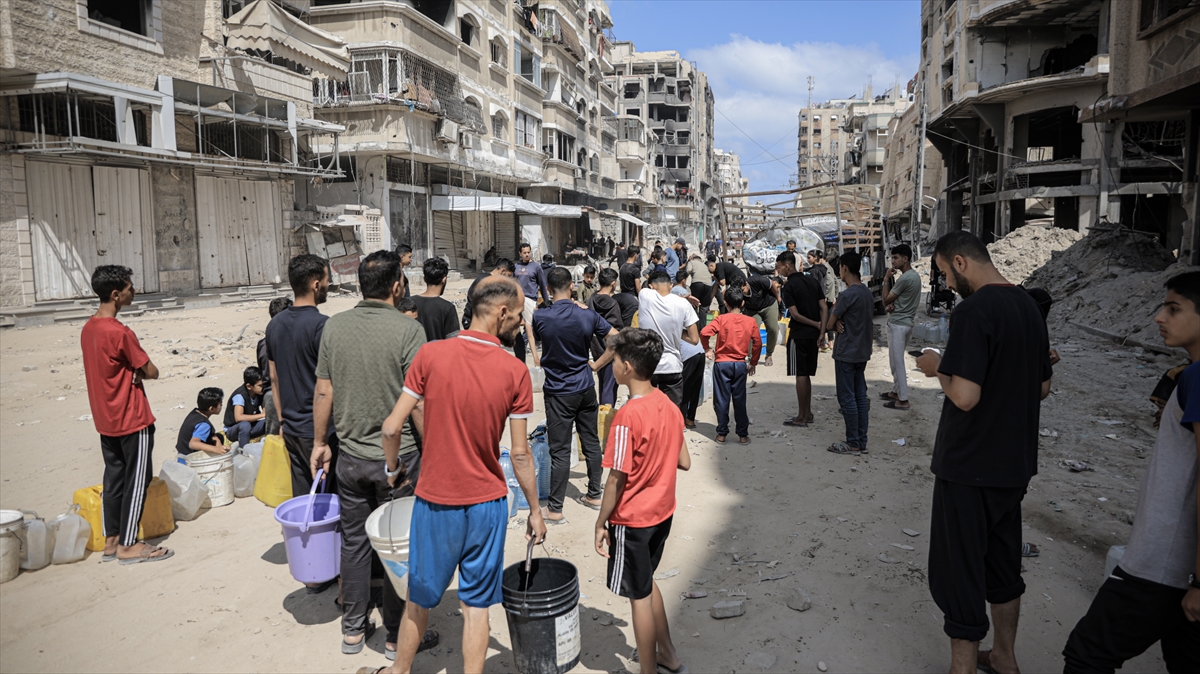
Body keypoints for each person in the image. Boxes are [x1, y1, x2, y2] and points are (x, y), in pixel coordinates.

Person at [378, 276, 546, 674]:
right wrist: (536, 510)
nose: (520, 323)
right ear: (501, 312)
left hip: (436, 502)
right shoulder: (515, 371)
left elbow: (391, 427)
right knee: (476, 607)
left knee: (417, 601)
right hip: (487, 505)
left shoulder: (430, 355)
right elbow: (520, 454)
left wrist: (393, 469)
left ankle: (398, 671)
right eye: (518, 316)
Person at [913, 231, 1053, 674]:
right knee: (1003, 564)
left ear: (960, 262)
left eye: (944, 274)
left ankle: (963, 667)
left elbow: (965, 396)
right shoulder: (1029, 307)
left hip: (969, 465)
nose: (946, 284)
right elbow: (1043, 387)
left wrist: (937, 366)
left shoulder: (974, 312)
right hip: (1013, 465)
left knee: (959, 570)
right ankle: (1005, 657)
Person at [1062, 272, 1200, 673]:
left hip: (1164, 563)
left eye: (1173, 309)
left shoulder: (1196, 378)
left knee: (1087, 655)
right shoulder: (1187, 374)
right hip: (1178, 565)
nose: (1159, 317)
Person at [310, 250, 437, 658]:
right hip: (399, 460)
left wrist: (319, 443)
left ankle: (352, 628)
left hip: (349, 457)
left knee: (354, 542)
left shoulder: (335, 326)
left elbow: (324, 390)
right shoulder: (408, 330)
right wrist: (433, 450)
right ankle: (397, 635)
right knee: (400, 545)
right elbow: (418, 404)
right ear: (397, 286)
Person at [594, 328, 691, 674]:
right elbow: (684, 461)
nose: (612, 366)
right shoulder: (668, 404)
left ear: (627, 367)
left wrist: (600, 522)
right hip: (662, 513)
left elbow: (615, 479)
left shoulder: (626, 417)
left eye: (614, 360)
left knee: (638, 596)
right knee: (647, 582)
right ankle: (668, 655)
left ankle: (648, 669)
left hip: (633, 520)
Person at [80, 265, 171, 565]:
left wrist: (134, 370)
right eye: (130, 288)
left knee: (114, 479)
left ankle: (112, 540)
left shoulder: (89, 329)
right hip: (132, 418)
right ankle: (129, 545)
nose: (134, 292)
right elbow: (152, 370)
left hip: (105, 419)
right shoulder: (120, 332)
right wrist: (140, 371)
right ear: (116, 294)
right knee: (137, 480)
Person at [531, 267, 618, 521]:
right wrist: (597, 364)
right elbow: (616, 339)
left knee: (559, 450)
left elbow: (536, 335)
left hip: (558, 391)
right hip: (585, 387)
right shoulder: (587, 314)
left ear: (548, 289)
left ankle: (555, 509)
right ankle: (594, 494)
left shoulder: (541, 316)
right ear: (572, 286)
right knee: (590, 441)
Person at [266, 254, 336, 498]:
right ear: (316, 284)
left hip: (291, 429)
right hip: (321, 431)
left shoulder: (274, 325)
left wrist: (282, 422)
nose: (328, 284)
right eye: (326, 279)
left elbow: (274, 379)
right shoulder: (322, 326)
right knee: (329, 499)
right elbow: (329, 386)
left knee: (304, 497)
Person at [700, 286, 761, 444]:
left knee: (721, 399)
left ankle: (722, 433)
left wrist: (707, 348)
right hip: (740, 364)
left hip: (722, 364)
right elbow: (757, 343)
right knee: (739, 399)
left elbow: (704, 333)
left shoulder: (721, 319)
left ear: (725, 303)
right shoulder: (751, 321)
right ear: (742, 303)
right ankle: (742, 435)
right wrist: (753, 362)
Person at [828, 251, 873, 456]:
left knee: (847, 398)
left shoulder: (846, 295)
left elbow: (830, 323)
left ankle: (853, 441)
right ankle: (861, 440)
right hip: (862, 351)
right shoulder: (866, 293)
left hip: (846, 352)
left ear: (845, 268)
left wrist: (836, 320)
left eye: (840, 268)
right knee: (860, 397)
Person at [778, 251, 827, 428]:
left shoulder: (789, 286)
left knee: (800, 375)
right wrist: (821, 331)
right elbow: (823, 307)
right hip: (813, 336)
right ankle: (808, 413)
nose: (778, 271)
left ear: (787, 266)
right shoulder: (812, 281)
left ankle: (802, 416)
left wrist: (816, 325)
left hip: (799, 335)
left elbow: (795, 314)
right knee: (807, 375)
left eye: (779, 267)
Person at [638, 270, 700, 408]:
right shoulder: (683, 305)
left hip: (648, 366)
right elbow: (694, 339)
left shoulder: (644, 295)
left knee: (648, 410)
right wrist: (675, 330)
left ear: (650, 285)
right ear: (671, 285)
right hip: (672, 366)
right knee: (671, 412)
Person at [880, 244, 922, 411]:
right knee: (894, 360)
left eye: (896, 258)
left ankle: (903, 399)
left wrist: (886, 279)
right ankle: (896, 391)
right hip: (906, 322)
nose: (893, 261)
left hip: (898, 324)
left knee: (897, 363)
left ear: (906, 259)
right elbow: (901, 300)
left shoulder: (905, 278)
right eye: (892, 258)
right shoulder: (914, 276)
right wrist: (893, 305)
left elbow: (885, 300)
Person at [587, 268, 624, 406]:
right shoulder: (613, 304)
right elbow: (616, 334)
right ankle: (606, 418)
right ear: (613, 283)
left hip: (596, 350)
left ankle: (602, 415)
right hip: (610, 354)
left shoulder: (591, 299)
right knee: (609, 390)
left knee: (603, 387)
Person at [258, 297, 292, 437]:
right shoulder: (288, 341)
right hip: (283, 394)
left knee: (274, 438)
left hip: (270, 395)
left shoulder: (262, 343)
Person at [411, 257, 461, 342]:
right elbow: (453, 342)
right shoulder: (448, 308)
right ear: (444, 279)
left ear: (424, 279)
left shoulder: (409, 303)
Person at [514, 243, 549, 362]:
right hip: (517, 301)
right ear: (520, 253)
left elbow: (542, 285)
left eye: (528, 252)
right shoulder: (516, 267)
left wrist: (546, 302)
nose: (527, 254)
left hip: (530, 301)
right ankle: (520, 357)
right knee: (517, 330)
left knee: (530, 329)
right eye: (524, 252)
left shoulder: (536, 267)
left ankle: (536, 357)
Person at [461, 258, 515, 330]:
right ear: (503, 271)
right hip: (474, 323)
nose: (508, 279)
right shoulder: (486, 281)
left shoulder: (490, 280)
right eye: (508, 275)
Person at [741, 274, 782, 367]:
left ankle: (769, 355)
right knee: (750, 331)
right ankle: (751, 357)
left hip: (768, 305)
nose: (742, 293)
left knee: (773, 329)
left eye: (743, 290)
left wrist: (777, 297)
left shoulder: (757, 280)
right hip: (752, 310)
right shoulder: (738, 291)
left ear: (746, 284)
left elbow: (772, 284)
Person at [177, 387, 226, 456]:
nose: (221, 405)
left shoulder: (195, 413)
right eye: (220, 404)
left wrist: (219, 444)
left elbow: (213, 436)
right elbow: (193, 444)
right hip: (190, 457)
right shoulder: (204, 425)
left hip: (182, 451)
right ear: (211, 408)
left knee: (218, 437)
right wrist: (215, 449)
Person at [223, 367, 265, 446]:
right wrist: (262, 415)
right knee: (245, 425)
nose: (263, 388)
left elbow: (266, 409)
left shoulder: (259, 393)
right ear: (249, 386)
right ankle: (243, 450)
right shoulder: (240, 396)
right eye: (260, 386)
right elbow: (239, 418)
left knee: (271, 421)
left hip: (252, 426)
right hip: (235, 429)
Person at [808, 249, 838, 351]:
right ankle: (829, 342)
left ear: (817, 258)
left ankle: (824, 342)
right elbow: (833, 282)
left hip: (822, 298)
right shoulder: (825, 268)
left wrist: (828, 296)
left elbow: (829, 283)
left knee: (821, 320)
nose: (808, 260)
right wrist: (833, 295)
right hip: (827, 297)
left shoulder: (816, 270)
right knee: (828, 319)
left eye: (809, 257)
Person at [686, 253, 715, 328]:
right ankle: (703, 329)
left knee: (694, 305)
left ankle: (694, 328)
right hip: (708, 285)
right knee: (704, 308)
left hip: (697, 284)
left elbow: (687, 271)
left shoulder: (691, 262)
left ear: (693, 259)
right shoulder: (704, 265)